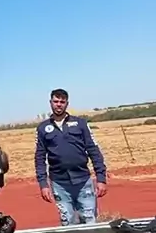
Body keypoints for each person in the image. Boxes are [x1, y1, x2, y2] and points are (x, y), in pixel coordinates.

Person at [34, 88, 107, 226]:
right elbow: (39, 158)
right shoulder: (43, 128)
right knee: (68, 222)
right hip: (59, 183)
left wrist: (101, 179)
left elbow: (94, 151)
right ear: (50, 103)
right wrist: (43, 184)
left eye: (62, 102)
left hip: (83, 181)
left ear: (67, 104)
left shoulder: (80, 124)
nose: (59, 104)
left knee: (90, 221)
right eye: (56, 101)